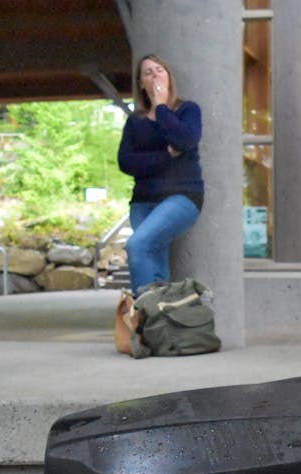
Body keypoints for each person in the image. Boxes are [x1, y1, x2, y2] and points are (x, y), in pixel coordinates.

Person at [117, 53, 204, 294]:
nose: (154, 75)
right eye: (148, 72)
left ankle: (145, 314)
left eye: (159, 70)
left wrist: (161, 107)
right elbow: (126, 162)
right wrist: (165, 156)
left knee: (138, 245)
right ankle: (159, 325)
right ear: (141, 85)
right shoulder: (135, 121)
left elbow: (185, 139)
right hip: (143, 202)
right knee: (153, 262)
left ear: (168, 77)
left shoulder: (187, 110)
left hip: (182, 197)